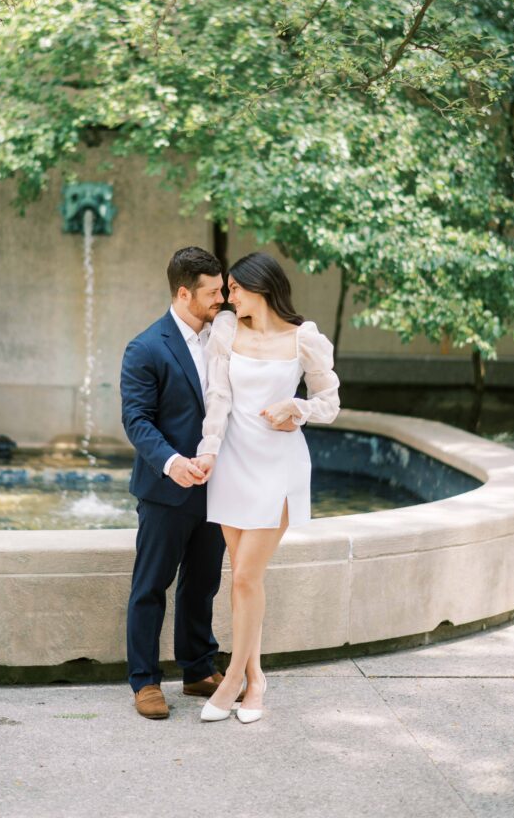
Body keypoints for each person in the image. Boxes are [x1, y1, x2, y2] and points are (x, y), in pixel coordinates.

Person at [193, 251, 341, 724]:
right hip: (233, 462)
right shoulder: (226, 330)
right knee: (242, 579)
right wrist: (210, 448)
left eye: (235, 288)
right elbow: (218, 396)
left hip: (279, 465)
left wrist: (296, 408)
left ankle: (235, 677)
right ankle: (256, 679)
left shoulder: (304, 338)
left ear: (261, 288)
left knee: (245, 577)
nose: (227, 296)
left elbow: (329, 402)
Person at [121, 246, 241, 719]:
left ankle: (197, 669)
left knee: (203, 583)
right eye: (212, 292)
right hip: (166, 491)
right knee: (151, 585)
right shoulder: (146, 347)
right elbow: (137, 420)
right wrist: (173, 463)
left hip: (217, 486)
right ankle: (146, 682)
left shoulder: (227, 337)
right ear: (184, 291)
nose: (221, 299)